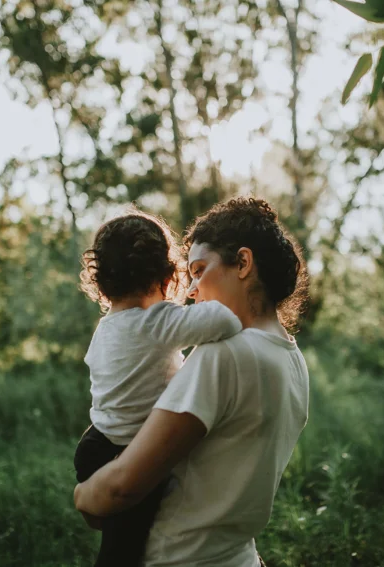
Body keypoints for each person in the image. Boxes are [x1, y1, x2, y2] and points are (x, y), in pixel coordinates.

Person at [74, 197, 310, 567]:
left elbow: (120, 488)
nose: (192, 289)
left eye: (199, 271)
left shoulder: (223, 356)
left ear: (243, 263)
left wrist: (81, 494)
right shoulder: (292, 359)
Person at [74, 210, 244, 567]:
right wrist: (206, 292)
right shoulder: (157, 322)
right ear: (169, 278)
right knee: (126, 551)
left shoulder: (107, 328)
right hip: (125, 452)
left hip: (95, 444)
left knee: (117, 537)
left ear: (102, 284)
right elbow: (227, 320)